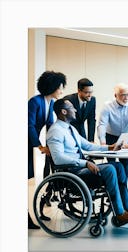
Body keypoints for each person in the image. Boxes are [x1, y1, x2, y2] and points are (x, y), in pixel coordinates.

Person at [47, 99, 128, 226]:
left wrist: (110, 147)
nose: (75, 110)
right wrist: (85, 163)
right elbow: (58, 158)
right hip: (72, 173)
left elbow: (87, 146)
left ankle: (127, 208)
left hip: (79, 169)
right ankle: (120, 214)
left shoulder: (70, 128)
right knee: (109, 169)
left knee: (119, 166)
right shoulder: (55, 131)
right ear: (64, 111)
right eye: (72, 108)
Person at [28, 70, 66, 229]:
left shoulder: (49, 103)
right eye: (60, 87)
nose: (62, 91)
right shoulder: (35, 102)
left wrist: (57, 144)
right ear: (51, 87)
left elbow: (51, 126)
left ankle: (28, 217)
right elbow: (28, 125)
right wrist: (39, 146)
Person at [97, 83, 128, 175]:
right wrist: (103, 142)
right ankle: (114, 186)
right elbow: (102, 124)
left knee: (125, 165)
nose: (126, 98)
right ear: (115, 95)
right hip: (110, 136)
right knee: (111, 165)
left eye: (127, 94)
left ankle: (123, 187)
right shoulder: (107, 106)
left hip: (125, 136)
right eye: (123, 95)